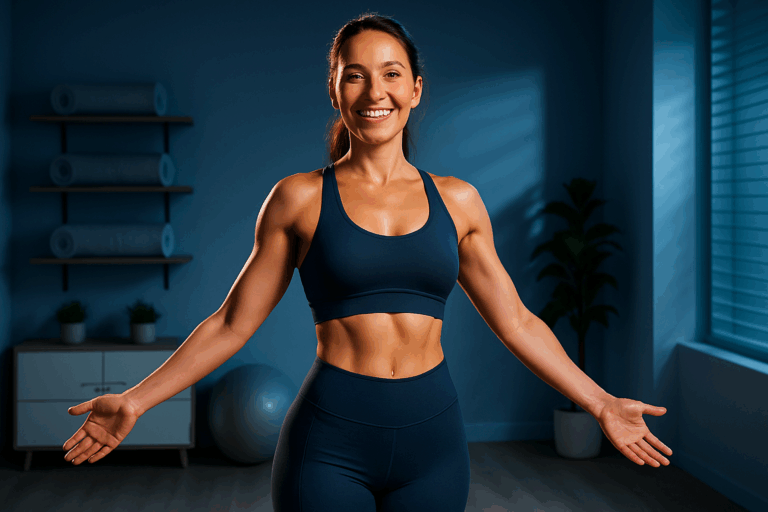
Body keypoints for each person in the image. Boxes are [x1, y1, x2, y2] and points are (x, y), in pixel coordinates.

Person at [62, 11, 673, 512]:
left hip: (434, 441)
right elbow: (231, 323)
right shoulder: (298, 198)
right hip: (330, 442)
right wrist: (137, 400)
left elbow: (516, 322)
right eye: (354, 76)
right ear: (334, 89)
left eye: (390, 74)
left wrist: (600, 403)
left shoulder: (458, 202)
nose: (374, 91)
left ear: (414, 89)